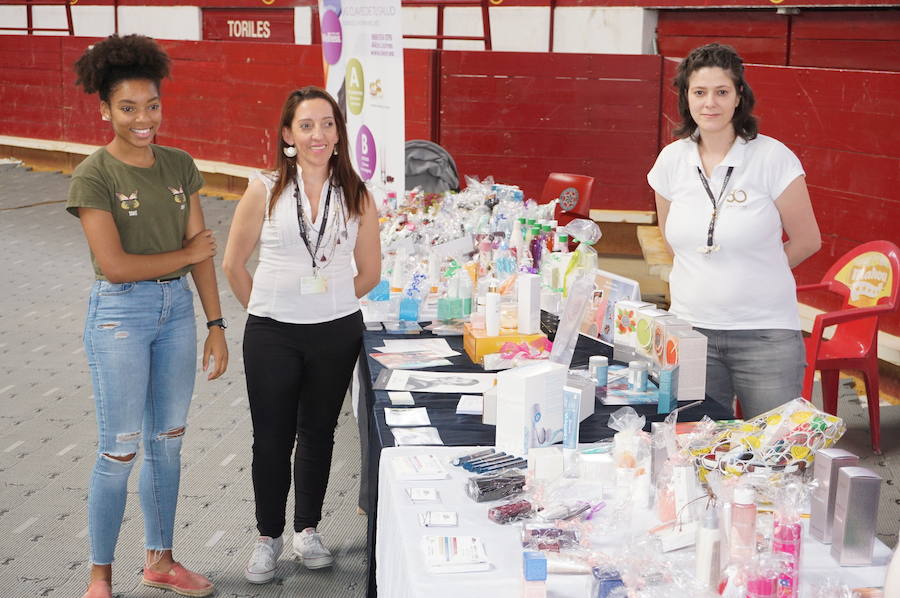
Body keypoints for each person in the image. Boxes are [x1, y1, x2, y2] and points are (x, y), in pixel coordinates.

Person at [67, 35, 228, 598]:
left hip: (177, 313)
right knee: (119, 449)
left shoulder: (180, 165)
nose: (143, 119)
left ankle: (160, 561)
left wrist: (215, 325)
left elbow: (203, 255)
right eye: (128, 108)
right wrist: (186, 254)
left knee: (168, 441)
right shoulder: (94, 175)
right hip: (120, 317)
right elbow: (114, 266)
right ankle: (100, 577)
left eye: (152, 106)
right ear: (105, 110)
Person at [222, 86, 381, 584]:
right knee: (271, 438)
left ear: (339, 134)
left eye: (327, 124)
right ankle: (267, 536)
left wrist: (328, 304)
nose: (318, 134)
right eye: (307, 125)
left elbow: (370, 272)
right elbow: (233, 264)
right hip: (273, 334)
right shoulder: (264, 188)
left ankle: (306, 530)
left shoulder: (356, 193)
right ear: (288, 135)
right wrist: (268, 311)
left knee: (318, 433)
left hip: (335, 332)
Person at [647, 43, 821, 418]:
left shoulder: (772, 157)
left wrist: (757, 271)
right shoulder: (671, 161)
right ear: (686, 97)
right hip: (690, 331)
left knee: (773, 446)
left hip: (765, 335)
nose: (710, 103)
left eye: (721, 92)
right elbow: (672, 241)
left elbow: (808, 241)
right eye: (699, 92)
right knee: (698, 444)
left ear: (739, 96)